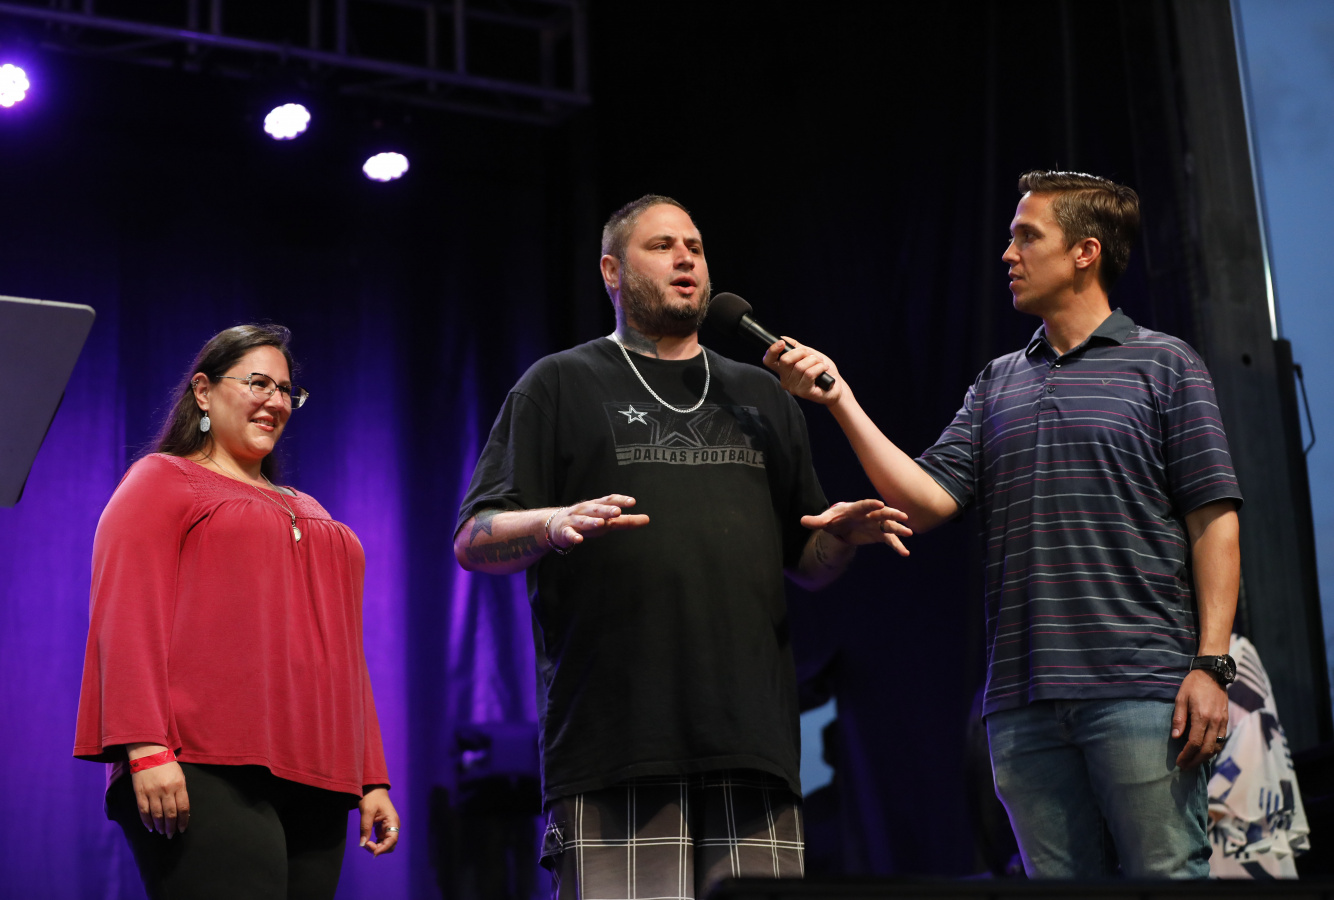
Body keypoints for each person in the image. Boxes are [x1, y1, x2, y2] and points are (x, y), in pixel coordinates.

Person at [762, 171, 1243, 878]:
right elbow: (925, 501)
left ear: (1084, 252)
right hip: (1023, 703)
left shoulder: (1164, 365)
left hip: (1140, 691)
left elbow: (1214, 522)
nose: (1008, 254)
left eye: (1027, 237)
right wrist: (840, 400)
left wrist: (1211, 665)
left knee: (1166, 879)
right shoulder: (998, 382)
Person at [454, 194, 912, 899]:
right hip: (616, 745)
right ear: (612, 271)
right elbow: (474, 538)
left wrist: (841, 539)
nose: (685, 259)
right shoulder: (558, 384)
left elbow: (808, 564)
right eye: (662, 246)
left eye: (694, 247)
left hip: (753, 745)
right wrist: (551, 523)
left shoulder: (762, 395)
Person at [74, 324, 399, 900]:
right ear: (203, 391)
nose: (276, 401)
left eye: (286, 390)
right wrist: (145, 747)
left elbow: (346, 650)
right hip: (201, 763)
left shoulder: (308, 506)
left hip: (319, 771)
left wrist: (371, 776)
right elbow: (124, 618)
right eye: (258, 383)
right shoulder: (163, 479)